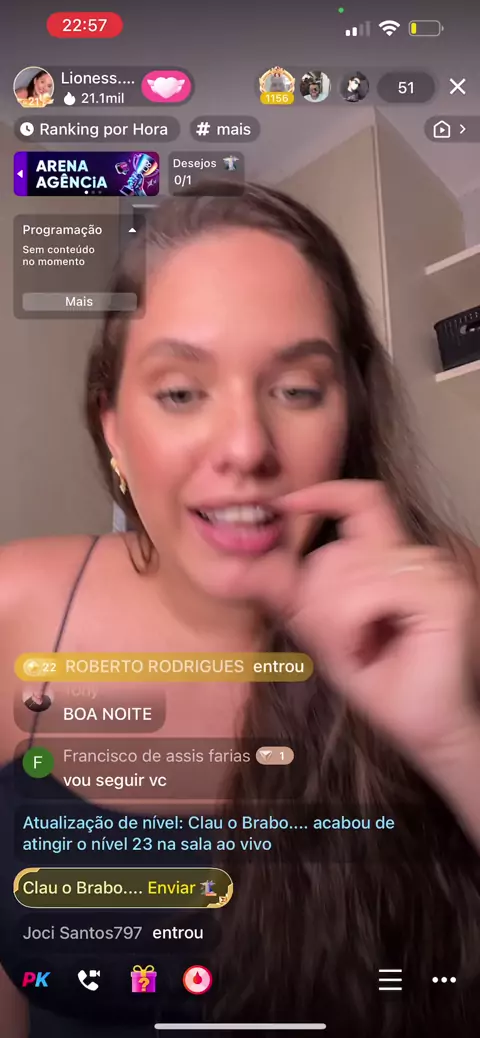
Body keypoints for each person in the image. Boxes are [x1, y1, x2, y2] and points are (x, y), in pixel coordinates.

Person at [0, 183, 480, 1037]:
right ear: (113, 429)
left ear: (349, 413)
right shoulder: (16, 606)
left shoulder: (448, 602)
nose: (247, 448)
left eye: (296, 390)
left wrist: (452, 740)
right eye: (181, 393)